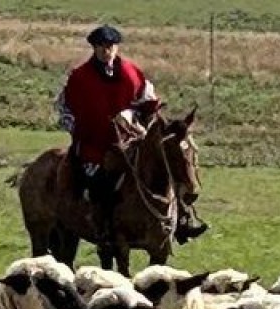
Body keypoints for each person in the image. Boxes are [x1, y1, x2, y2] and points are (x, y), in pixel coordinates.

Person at [53, 24, 207, 243]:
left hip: (131, 138)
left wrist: (140, 120)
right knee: (101, 181)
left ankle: (181, 221)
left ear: (116, 48)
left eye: (111, 46)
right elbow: (65, 109)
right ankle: (103, 228)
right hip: (95, 144)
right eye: (102, 47)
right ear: (94, 48)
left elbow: (148, 102)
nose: (107, 51)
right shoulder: (80, 77)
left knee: (168, 167)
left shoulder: (131, 73)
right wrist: (81, 129)